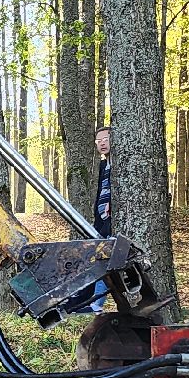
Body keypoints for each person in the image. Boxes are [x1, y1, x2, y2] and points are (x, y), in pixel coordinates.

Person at [80, 126, 115, 312]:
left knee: (105, 260)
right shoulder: (103, 166)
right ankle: (86, 300)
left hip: (112, 221)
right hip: (101, 221)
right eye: (98, 140)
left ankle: (96, 304)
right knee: (94, 257)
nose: (102, 143)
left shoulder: (118, 165)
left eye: (106, 139)